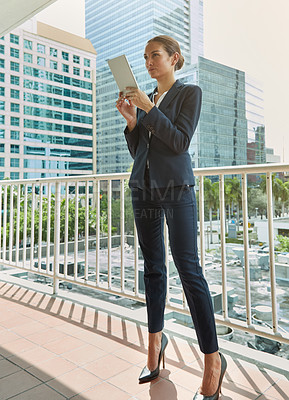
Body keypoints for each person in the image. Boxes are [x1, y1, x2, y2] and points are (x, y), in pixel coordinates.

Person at [116, 35, 227, 399]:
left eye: (155, 56)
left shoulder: (187, 93)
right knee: (153, 269)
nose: (149, 62)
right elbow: (140, 151)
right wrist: (133, 121)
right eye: (145, 57)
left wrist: (149, 107)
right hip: (143, 188)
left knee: (189, 270)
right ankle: (154, 349)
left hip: (176, 191)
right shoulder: (149, 100)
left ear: (174, 58)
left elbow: (179, 142)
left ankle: (212, 362)